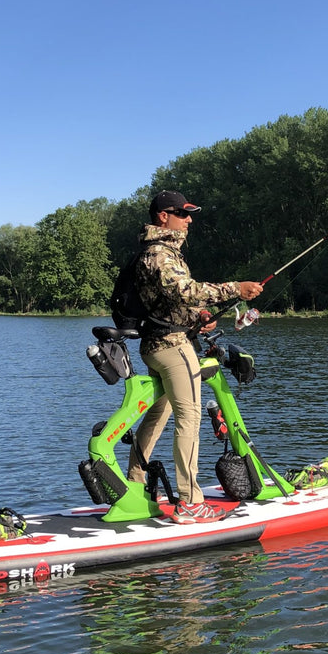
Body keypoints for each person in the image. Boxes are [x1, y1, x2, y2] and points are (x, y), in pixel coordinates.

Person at [127, 190, 263, 524]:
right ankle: (190, 503)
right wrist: (235, 288)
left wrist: (199, 316)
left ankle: (135, 485)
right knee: (190, 419)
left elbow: (172, 301)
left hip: (158, 344)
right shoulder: (160, 253)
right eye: (183, 214)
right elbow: (185, 290)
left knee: (158, 415)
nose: (189, 220)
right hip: (173, 348)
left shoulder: (156, 251)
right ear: (163, 216)